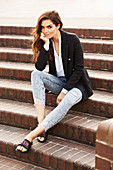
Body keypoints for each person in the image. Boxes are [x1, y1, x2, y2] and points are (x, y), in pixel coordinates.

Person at [16, 10, 93, 153]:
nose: (45, 31)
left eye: (49, 27)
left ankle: (31, 136)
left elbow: (79, 68)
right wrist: (45, 46)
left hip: (77, 85)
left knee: (67, 100)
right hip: (60, 81)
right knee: (35, 75)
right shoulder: (48, 42)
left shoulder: (72, 39)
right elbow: (39, 68)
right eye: (43, 28)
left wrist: (64, 91)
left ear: (58, 25)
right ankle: (41, 123)